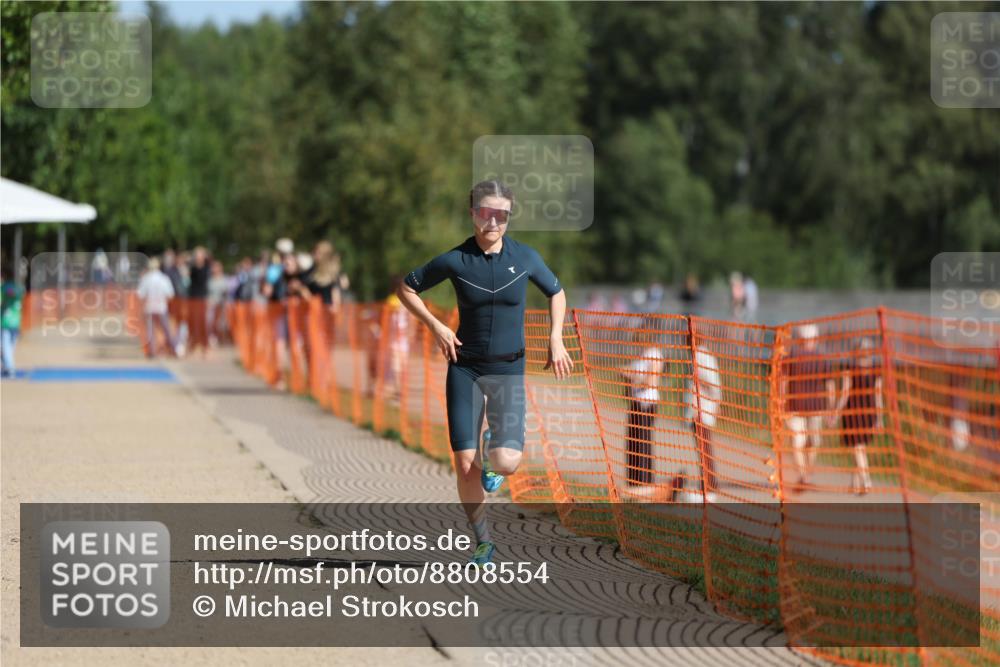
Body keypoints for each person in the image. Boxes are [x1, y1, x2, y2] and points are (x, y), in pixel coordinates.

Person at [396, 180, 573, 565]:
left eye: (502, 215)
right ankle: (483, 541)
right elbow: (406, 289)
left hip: (509, 368)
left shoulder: (525, 257)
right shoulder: (454, 260)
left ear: (509, 217)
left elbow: (556, 293)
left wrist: (556, 338)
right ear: (472, 213)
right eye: (485, 213)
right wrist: (435, 326)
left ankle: (495, 446)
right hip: (465, 368)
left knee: (506, 463)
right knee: (463, 463)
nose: (493, 222)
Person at [780, 324, 843, 491]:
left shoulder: (793, 356)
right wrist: (831, 408)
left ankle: (804, 474)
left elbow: (783, 381)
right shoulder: (819, 358)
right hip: (805, 407)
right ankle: (805, 474)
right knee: (807, 442)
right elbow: (830, 386)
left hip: (802, 407)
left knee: (801, 442)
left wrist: (781, 401)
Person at [833, 337, 881, 495]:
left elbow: (877, 394)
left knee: (858, 447)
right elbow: (846, 392)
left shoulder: (872, 369)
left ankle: (866, 481)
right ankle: (854, 483)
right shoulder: (852, 368)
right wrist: (837, 411)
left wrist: (879, 418)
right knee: (858, 448)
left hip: (862, 413)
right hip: (859, 412)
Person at [684, 345, 722, 501]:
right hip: (696, 410)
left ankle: (710, 487)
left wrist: (697, 378)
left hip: (703, 410)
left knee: (705, 450)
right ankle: (705, 484)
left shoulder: (702, 355)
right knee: (702, 450)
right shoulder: (696, 354)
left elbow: (714, 386)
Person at [136, 258, 176, 358]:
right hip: (161, 307)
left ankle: (152, 351)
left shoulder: (146, 278)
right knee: (166, 329)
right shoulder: (164, 278)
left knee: (150, 331)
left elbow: (140, 294)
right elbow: (170, 295)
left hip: (149, 307)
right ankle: (172, 349)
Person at [186, 246, 211, 357]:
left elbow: (209, 261)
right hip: (193, 298)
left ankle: (204, 346)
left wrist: (204, 255)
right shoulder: (193, 268)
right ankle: (192, 344)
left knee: (202, 323)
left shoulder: (206, 268)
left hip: (201, 299)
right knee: (193, 322)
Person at [1, 266, 24, 377]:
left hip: (6, 321)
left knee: (6, 346)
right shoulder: (19, 287)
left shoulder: (4, 287)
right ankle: (7, 366)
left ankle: (9, 368)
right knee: (9, 345)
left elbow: (9, 294)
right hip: (15, 322)